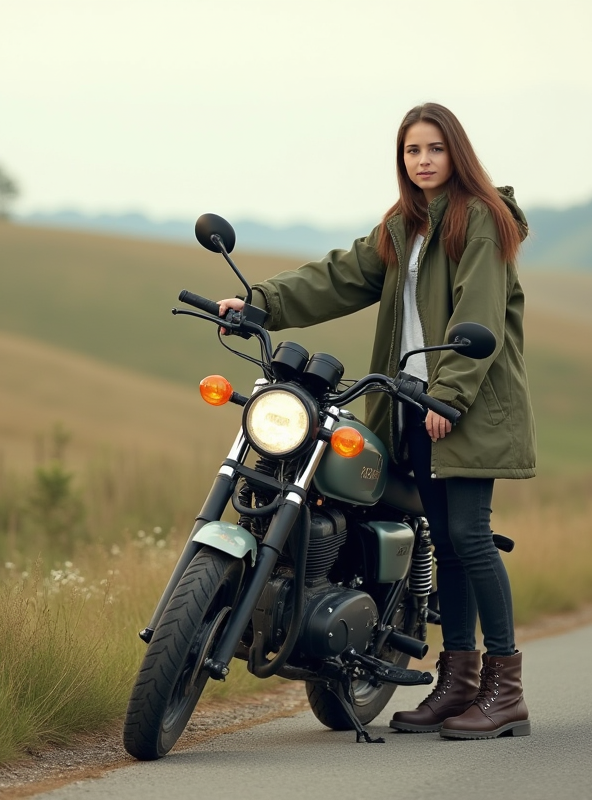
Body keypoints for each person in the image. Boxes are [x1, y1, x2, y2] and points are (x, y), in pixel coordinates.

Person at [217, 102, 536, 740]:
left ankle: (506, 694)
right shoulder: (404, 223)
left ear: (458, 154)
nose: (423, 161)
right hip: (413, 404)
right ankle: (460, 683)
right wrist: (259, 304)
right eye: (412, 151)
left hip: (460, 403)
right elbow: (340, 277)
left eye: (434, 150)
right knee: (444, 544)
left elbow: (480, 312)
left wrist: (449, 395)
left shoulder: (482, 220)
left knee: (470, 539)